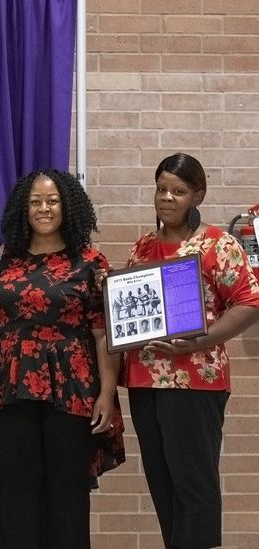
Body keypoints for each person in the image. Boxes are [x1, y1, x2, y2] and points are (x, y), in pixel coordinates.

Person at [0, 169, 123, 549]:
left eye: (52, 201)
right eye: (35, 201)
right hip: (9, 388)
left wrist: (107, 394)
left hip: (74, 390)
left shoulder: (91, 262)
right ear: (22, 207)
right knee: (17, 495)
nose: (44, 208)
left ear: (67, 206)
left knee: (68, 496)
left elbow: (103, 335)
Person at [118, 153, 259, 549]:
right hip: (145, 382)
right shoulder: (143, 247)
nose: (167, 197)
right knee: (162, 485)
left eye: (178, 191)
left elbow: (249, 301)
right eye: (161, 189)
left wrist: (203, 340)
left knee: (194, 486)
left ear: (197, 195)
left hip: (196, 382)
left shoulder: (216, 243)